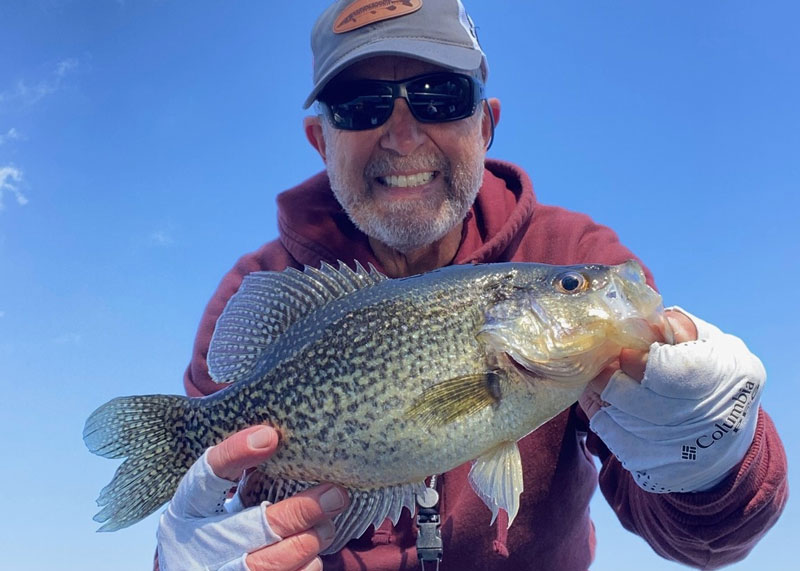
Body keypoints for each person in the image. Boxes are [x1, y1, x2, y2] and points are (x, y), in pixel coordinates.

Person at [154, 1, 788, 570]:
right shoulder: (262, 285)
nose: (403, 135)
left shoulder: (571, 253)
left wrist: (711, 458)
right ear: (322, 141)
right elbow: (213, 512)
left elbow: (702, 541)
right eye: (361, 105)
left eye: (439, 96)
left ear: (485, 125)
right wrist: (184, 557)